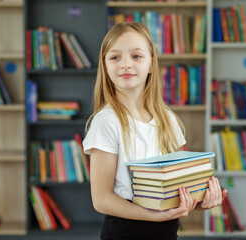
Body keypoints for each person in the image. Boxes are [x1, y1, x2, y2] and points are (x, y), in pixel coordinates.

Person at [83, 22, 227, 240]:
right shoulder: (106, 121)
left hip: (167, 232)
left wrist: (199, 201)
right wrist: (154, 215)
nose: (125, 64)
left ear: (151, 63)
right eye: (115, 57)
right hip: (125, 233)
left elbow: (179, 183)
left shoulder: (167, 118)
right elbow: (101, 199)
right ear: (104, 66)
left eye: (136, 56)